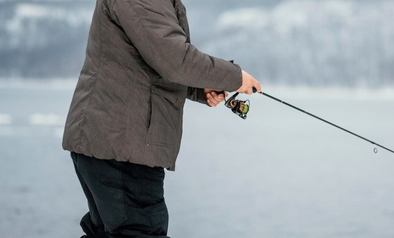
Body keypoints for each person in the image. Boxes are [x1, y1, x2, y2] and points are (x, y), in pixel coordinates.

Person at [62, 0, 262, 237]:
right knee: (139, 230)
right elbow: (174, 59)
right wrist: (235, 77)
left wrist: (200, 87)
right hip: (121, 147)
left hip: (114, 142)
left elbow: (150, 62)